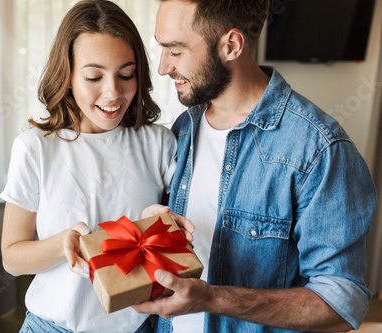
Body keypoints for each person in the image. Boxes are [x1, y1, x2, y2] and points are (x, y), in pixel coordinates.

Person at [133, 0, 378, 332]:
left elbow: (341, 304)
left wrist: (211, 299)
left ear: (231, 45)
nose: (162, 67)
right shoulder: (183, 128)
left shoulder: (320, 149)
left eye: (175, 51)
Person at [0, 1, 178, 332]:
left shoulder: (159, 144)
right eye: (94, 76)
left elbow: (185, 231)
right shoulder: (35, 149)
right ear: (67, 75)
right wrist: (64, 243)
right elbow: (11, 258)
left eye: (126, 74)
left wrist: (163, 226)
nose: (113, 92)